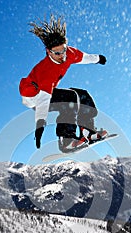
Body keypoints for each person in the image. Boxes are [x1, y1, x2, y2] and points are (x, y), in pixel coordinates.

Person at [19, 15, 108, 152]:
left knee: (82, 95)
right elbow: (43, 100)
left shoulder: (69, 53)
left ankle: (88, 132)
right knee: (69, 98)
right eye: (57, 53)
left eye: (63, 50)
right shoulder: (46, 70)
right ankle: (66, 140)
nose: (62, 56)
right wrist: (40, 125)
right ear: (49, 52)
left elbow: (84, 57)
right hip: (35, 98)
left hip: (48, 92)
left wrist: (98, 59)